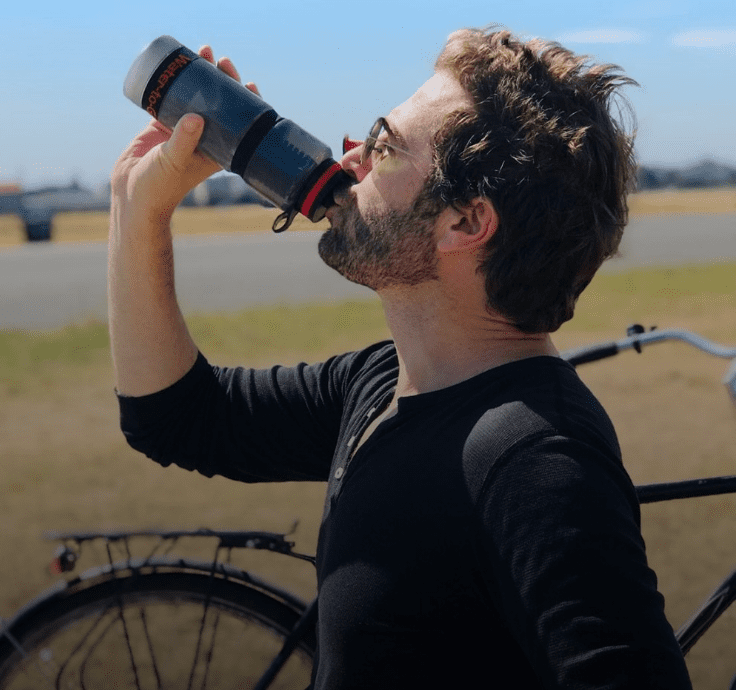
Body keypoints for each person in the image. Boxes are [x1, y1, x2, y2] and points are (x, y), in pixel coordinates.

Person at [108, 28, 693, 689]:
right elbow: (176, 418)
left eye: (384, 143)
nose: (352, 154)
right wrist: (139, 210)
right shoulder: (383, 382)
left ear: (465, 223)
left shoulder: (534, 461)